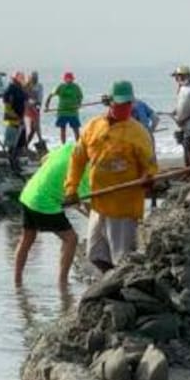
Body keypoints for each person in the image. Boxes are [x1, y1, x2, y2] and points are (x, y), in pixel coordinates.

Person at [66, 81, 157, 272]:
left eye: (127, 105)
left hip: (124, 206)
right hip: (98, 203)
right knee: (94, 253)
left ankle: (119, 294)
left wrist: (148, 177)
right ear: (110, 103)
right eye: (120, 104)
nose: (124, 108)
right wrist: (71, 188)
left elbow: (150, 165)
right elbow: (78, 159)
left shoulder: (138, 133)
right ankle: (108, 283)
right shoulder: (93, 127)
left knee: (121, 258)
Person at [14, 142, 86, 287]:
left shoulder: (68, 147)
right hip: (44, 201)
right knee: (71, 239)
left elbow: (44, 160)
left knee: (27, 238)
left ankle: (17, 281)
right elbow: (88, 205)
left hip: (29, 193)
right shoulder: (85, 168)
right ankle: (63, 282)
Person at [2, 71, 29, 174]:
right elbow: (7, 105)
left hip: (20, 120)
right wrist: (15, 117)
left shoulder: (20, 89)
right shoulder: (10, 89)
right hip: (13, 121)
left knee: (20, 144)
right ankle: (12, 164)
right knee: (13, 144)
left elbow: (26, 98)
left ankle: (16, 163)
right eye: (19, 78)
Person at [46, 71, 84, 143]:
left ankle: (78, 146)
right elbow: (50, 95)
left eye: (71, 78)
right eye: (68, 78)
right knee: (62, 129)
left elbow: (80, 97)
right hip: (62, 112)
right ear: (65, 79)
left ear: (73, 79)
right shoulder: (60, 86)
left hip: (73, 112)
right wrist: (47, 106)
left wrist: (79, 104)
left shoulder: (76, 87)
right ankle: (63, 145)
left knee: (76, 130)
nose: (69, 80)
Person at [24, 70, 46, 154]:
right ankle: (26, 145)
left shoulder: (39, 86)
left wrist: (38, 105)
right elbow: (25, 96)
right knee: (32, 127)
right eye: (33, 77)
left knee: (35, 128)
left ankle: (27, 144)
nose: (34, 79)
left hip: (35, 107)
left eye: (36, 77)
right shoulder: (27, 85)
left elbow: (40, 97)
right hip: (27, 108)